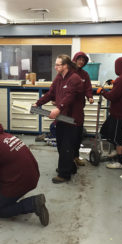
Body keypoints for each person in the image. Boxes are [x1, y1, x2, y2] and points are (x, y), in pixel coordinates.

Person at [0, 116, 49, 227]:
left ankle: (33, 203)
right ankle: (3, 196)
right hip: (32, 174)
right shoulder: (5, 135)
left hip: (21, 180)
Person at [35, 54, 84, 183]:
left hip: (72, 119)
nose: (55, 67)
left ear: (65, 66)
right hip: (62, 117)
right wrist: (38, 103)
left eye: (58, 65)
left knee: (66, 146)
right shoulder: (59, 78)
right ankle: (70, 167)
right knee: (61, 145)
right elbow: (51, 93)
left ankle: (64, 174)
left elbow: (69, 96)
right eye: (55, 64)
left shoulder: (75, 79)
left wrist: (58, 108)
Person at [97, 57, 122, 169]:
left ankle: (120, 162)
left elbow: (112, 97)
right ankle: (116, 151)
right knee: (105, 131)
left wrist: (103, 91)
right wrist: (115, 84)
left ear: (119, 66)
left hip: (120, 115)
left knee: (117, 137)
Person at [72, 51, 94, 167]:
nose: (81, 62)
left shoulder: (85, 75)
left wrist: (90, 97)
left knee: (78, 134)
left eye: (83, 60)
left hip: (79, 109)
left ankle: (75, 157)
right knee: (68, 136)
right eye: (79, 59)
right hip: (67, 109)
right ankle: (67, 158)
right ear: (74, 59)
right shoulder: (68, 72)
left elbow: (88, 88)